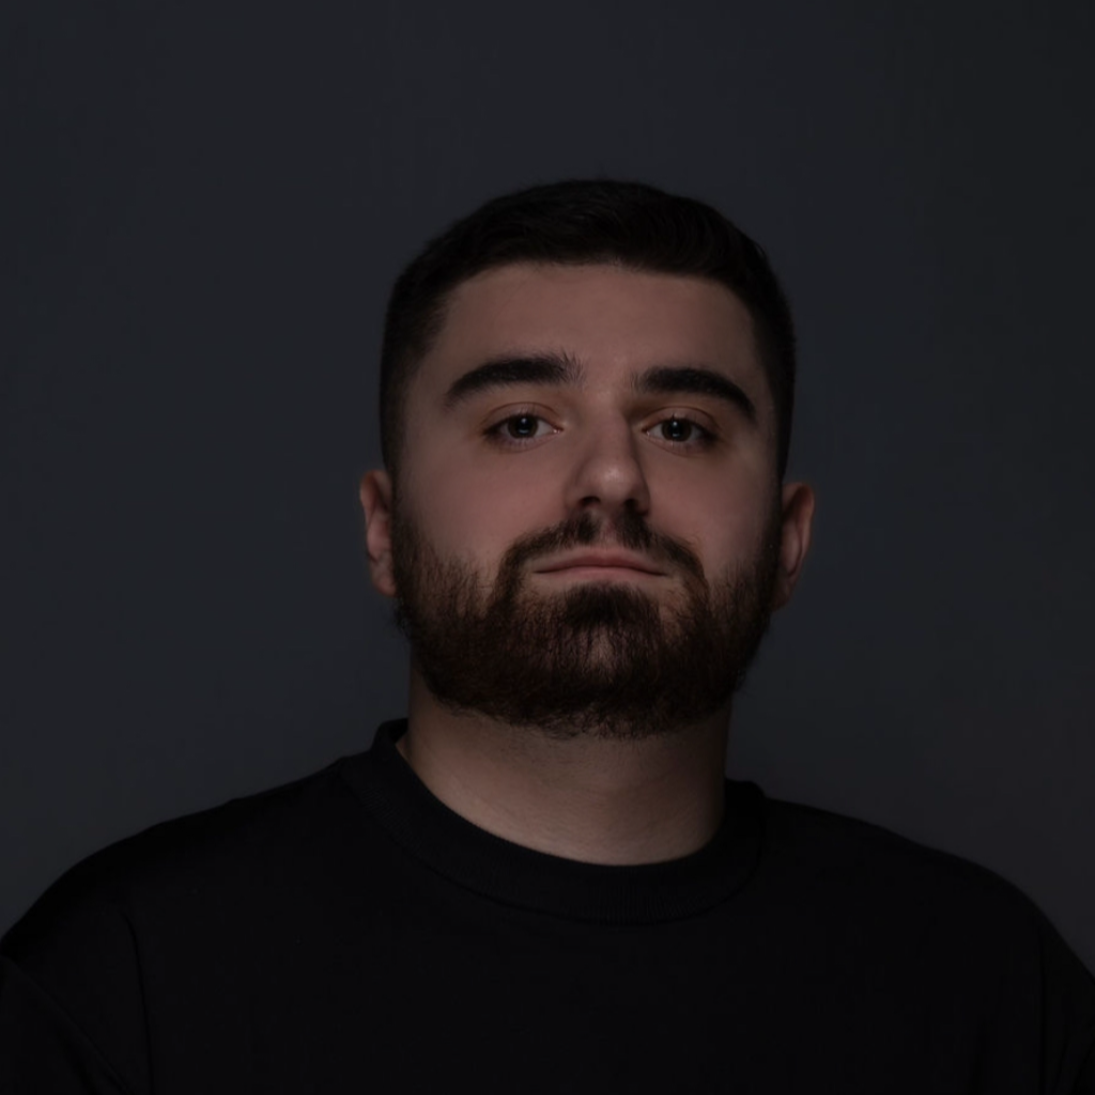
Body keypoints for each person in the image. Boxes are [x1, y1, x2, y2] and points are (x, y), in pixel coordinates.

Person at [1, 179, 1092, 1093]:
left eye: (682, 428)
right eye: (520, 422)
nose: (613, 476)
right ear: (385, 530)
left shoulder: (992, 990)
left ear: (787, 543)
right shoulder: (122, 983)